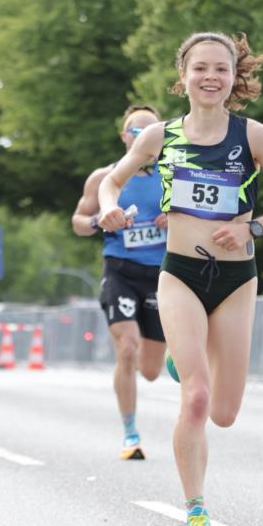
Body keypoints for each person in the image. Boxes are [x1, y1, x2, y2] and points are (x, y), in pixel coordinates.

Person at [98, 33, 263, 526]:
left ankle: (182, 360)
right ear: (184, 76)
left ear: (235, 77)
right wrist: (109, 207)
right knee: (195, 398)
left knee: (225, 412)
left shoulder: (253, 136)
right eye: (201, 68)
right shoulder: (159, 137)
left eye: (222, 68)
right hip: (180, 274)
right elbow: (110, 181)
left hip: (236, 279)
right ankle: (196, 515)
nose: (211, 76)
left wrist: (251, 229)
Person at [72, 104, 167, 460]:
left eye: (150, 130)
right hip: (120, 270)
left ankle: (166, 352)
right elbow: (78, 221)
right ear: (124, 137)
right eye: (135, 131)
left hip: (161, 275)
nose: (142, 136)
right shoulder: (104, 178)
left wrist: (175, 219)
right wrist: (100, 220)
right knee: (127, 348)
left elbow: (203, 216)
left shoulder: (174, 176)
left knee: (152, 371)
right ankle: (131, 435)